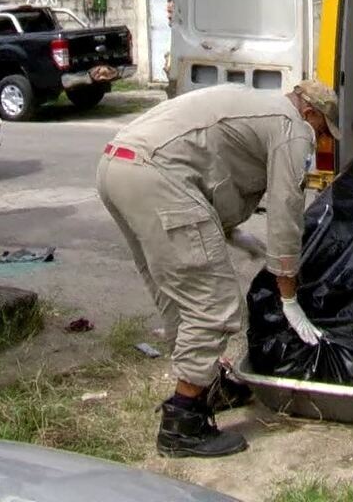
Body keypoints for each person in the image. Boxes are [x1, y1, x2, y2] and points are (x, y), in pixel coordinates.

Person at [95, 80, 339, 458]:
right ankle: (183, 421)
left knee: (181, 296)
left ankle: (206, 382)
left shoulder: (258, 105)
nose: (321, 140)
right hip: (156, 175)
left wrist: (232, 233)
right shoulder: (293, 128)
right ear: (311, 113)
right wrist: (288, 294)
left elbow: (212, 165)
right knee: (215, 303)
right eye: (323, 130)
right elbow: (286, 211)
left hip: (117, 166)